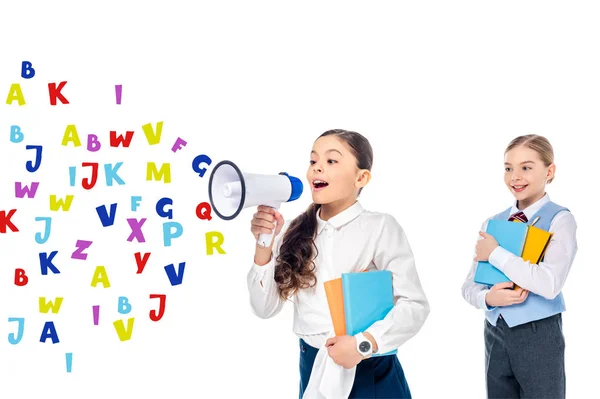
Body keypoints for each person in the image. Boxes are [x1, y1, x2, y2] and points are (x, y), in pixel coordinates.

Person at [247, 128, 429, 398]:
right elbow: (264, 308)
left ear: (361, 177)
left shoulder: (380, 227)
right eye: (313, 161)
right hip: (313, 367)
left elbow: (415, 305)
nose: (317, 168)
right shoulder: (295, 232)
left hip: (370, 369)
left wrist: (362, 345)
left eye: (331, 161)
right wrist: (265, 244)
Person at [461, 134, 578, 399]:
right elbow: (469, 286)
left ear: (550, 171)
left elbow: (549, 284)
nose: (515, 176)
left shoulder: (560, 219)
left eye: (526, 167)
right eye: (508, 168)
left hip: (538, 333)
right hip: (495, 332)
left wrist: (496, 254)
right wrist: (488, 298)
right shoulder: (492, 223)